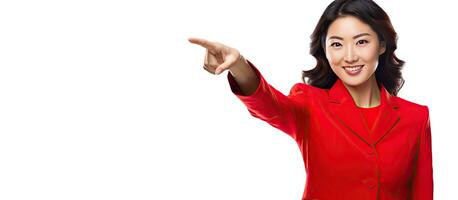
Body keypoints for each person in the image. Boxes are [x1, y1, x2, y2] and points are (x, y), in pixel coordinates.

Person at [188, 0, 433, 199]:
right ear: (324, 50)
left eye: (361, 42)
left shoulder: (416, 116)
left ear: (381, 44)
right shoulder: (310, 103)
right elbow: (268, 104)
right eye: (337, 44)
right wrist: (239, 65)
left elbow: (422, 194)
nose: (349, 56)